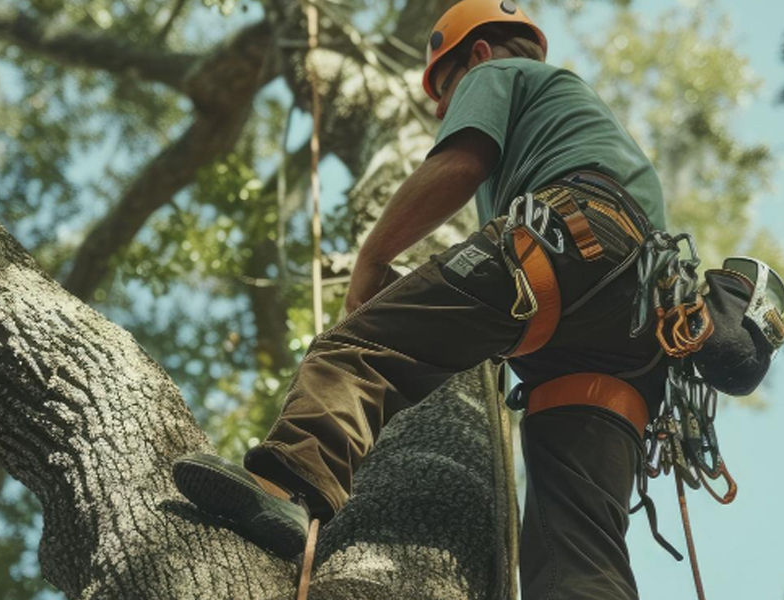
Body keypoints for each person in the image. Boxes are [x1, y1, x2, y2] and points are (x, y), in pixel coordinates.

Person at [173, 1, 672, 597]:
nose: (444, 108)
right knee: (577, 548)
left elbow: (460, 161)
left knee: (357, 347)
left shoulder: (494, 75)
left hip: (571, 242)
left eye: (446, 90)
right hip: (639, 326)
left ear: (479, 53)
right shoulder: (572, 120)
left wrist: (371, 260)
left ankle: (288, 487)